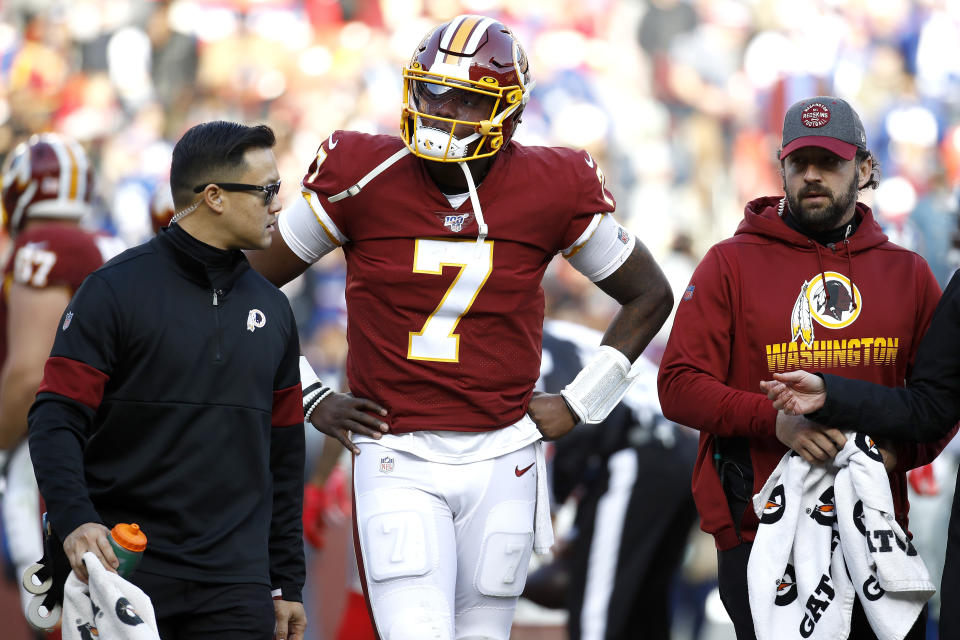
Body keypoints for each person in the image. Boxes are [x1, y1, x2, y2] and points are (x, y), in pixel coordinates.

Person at [246, 14, 673, 639]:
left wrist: (583, 401)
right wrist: (310, 394)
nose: (443, 112)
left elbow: (650, 294)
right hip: (398, 453)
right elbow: (248, 288)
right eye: (432, 93)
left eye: (467, 100)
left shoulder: (552, 183)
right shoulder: (362, 171)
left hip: (505, 451)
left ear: (510, 112)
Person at [657, 96, 954, 639]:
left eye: (830, 162)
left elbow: (941, 402)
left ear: (864, 168)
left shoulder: (908, 273)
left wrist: (895, 452)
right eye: (800, 162)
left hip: (875, 529)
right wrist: (773, 421)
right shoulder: (730, 261)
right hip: (758, 533)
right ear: (782, 167)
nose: (812, 176)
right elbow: (677, 385)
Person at [26, 121, 307, 640]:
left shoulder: (274, 308)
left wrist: (287, 581)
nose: (278, 205)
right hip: (124, 573)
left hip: (235, 585)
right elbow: (54, 417)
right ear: (215, 197)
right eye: (267, 190)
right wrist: (75, 519)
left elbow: (285, 458)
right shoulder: (113, 291)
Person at [760, 268, 960, 637]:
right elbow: (934, 408)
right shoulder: (728, 262)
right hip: (778, 529)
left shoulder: (910, 271)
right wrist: (827, 397)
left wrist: (903, 456)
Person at [0, 133, 125, 634]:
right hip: (102, 441)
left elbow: (31, 373)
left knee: (49, 605)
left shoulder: (46, 245)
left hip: (51, 447)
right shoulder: (107, 240)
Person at [525, 318, 698, 640]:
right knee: (643, 608)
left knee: (597, 612)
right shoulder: (561, 332)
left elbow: (558, 427)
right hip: (680, 447)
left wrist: (555, 512)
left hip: (638, 452)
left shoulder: (532, 345)